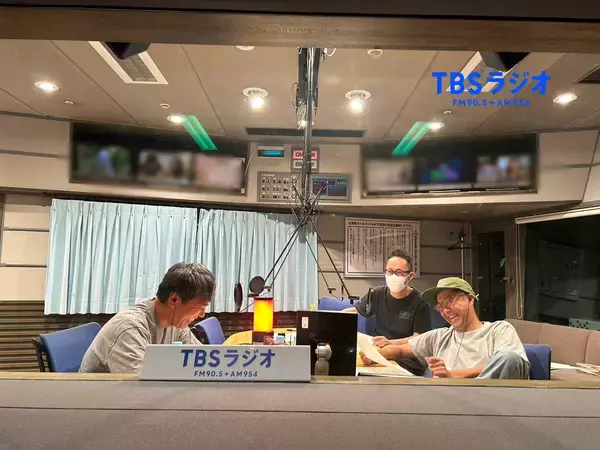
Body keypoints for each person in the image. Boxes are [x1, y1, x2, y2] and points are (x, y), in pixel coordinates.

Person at [360, 277, 530, 379]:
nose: (445, 310)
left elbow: (509, 364)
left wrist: (452, 376)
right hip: (446, 405)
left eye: (449, 302)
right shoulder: (439, 336)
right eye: (440, 306)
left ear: (469, 299)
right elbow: (400, 351)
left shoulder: (498, 330)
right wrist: (374, 355)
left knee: (509, 358)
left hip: (490, 403)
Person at [80, 263, 216, 373]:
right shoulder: (130, 327)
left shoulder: (177, 324)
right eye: (200, 307)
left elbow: (202, 359)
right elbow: (140, 389)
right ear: (174, 300)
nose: (202, 314)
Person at [344, 249, 431, 375]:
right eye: (389, 271)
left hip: (407, 359)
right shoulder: (378, 293)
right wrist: (334, 317)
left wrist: (391, 343)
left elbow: (418, 338)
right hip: (379, 351)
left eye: (399, 272)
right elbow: (354, 311)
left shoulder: (420, 302)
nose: (393, 276)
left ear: (410, 276)